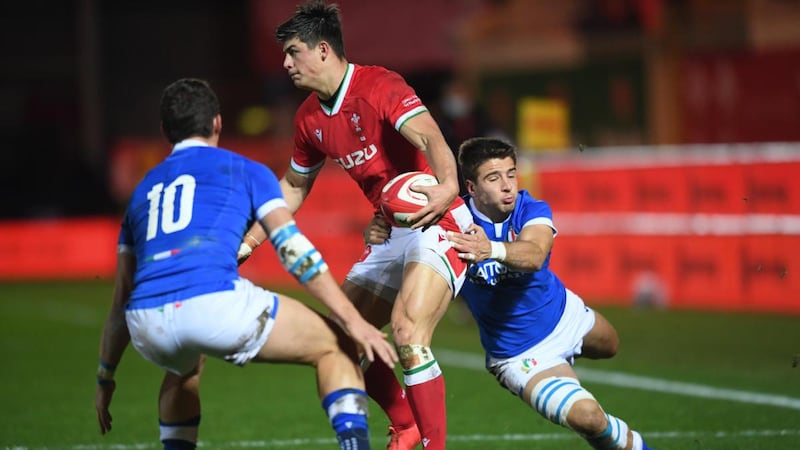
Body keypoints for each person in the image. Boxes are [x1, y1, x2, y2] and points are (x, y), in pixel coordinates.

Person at [94, 78, 398, 450]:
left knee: (183, 367)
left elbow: (121, 297)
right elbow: (294, 252)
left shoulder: (143, 190)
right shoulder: (244, 170)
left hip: (147, 323)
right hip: (211, 303)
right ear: (217, 123)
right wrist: (353, 321)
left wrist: (105, 376)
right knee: (336, 346)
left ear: (164, 131)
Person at [238, 2, 473, 449]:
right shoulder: (308, 119)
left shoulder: (379, 86)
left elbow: (430, 135)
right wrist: (248, 241)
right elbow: (294, 186)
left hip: (435, 217)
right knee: (341, 336)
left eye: (293, 52)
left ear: (323, 50)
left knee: (408, 333)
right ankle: (406, 425)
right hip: (388, 228)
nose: (285, 63)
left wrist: (447, 187)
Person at [446, 137, 654, 450]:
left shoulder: (531, 208)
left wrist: (491, 249)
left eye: (511, 174)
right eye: (494, 178)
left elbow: (534, 254)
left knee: (611, 345)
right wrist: (382, 228)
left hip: (564, 313)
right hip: (520, 353)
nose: (507, 186)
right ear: (472, 188)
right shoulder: (452, 222)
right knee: (590, 419)